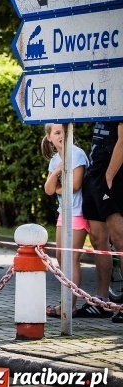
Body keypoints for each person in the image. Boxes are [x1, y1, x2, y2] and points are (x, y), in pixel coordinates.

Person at [41, 123, 90, 317]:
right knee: (61, 257)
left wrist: (58, 187)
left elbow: (75, 185)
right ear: (49, 137)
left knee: (72, 259)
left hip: (78, 212)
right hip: (64, 212)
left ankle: (70, 306)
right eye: (56, 132)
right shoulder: (55, 160)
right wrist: (56, 171)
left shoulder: (77, 155)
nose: (61, 135)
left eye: (63, 131)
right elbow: (48, 189)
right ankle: (66, 301)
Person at [80, 120, 123, 322]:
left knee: (120, 239)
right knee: (98, 239)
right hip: (94, 175)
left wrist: (109, 175)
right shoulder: (100, 103)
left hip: (112, 175)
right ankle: (102, 301)